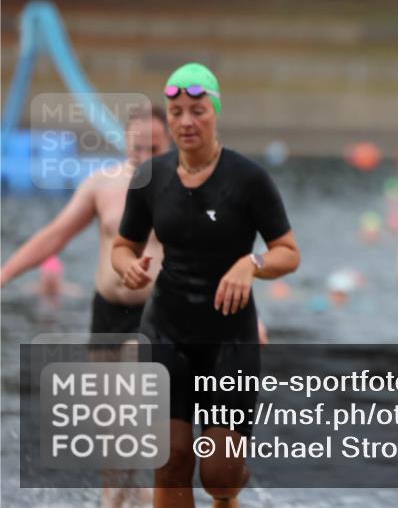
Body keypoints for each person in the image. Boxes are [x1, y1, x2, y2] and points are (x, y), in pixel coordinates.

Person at [111, 63, 300, 508]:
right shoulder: (149, 178)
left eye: (197, 110)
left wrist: (250, 264)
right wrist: (126, 266)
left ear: (215, 112)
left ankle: (229, 487)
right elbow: (123, 244)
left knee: (217, 476)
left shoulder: (248, 179)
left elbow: (288, 252)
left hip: (229, 339)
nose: (186, 121)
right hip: (166, 331)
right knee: (171, 460)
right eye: (176, 112)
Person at [2, 104, 171, 330]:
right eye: (137, 149)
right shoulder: (101, 184)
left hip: (157, 313)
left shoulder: (183, 188)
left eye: (153, 149)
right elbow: (55, 235)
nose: (145, 157)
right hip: (107, 311)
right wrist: (4, 275)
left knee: (137, 360)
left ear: (170, 142)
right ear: (125, 142)